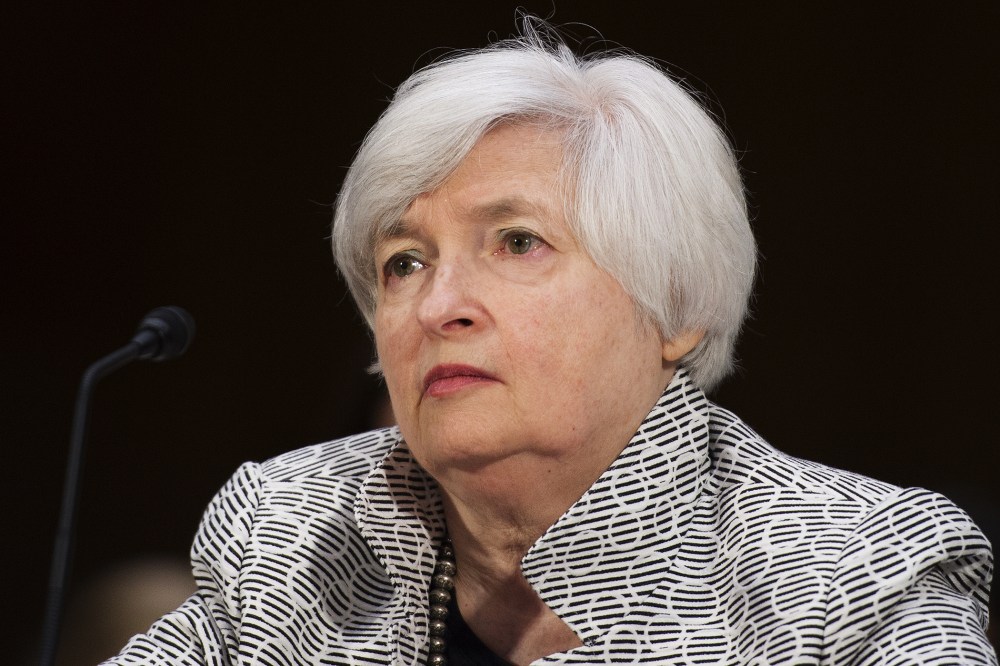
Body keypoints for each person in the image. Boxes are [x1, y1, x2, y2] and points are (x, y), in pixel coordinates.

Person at [105, 19, 995, 665]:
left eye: (518, 242)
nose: (437, 304)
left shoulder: (856, 575)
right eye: (404, 261)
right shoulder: (291, 533)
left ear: (675, 304)